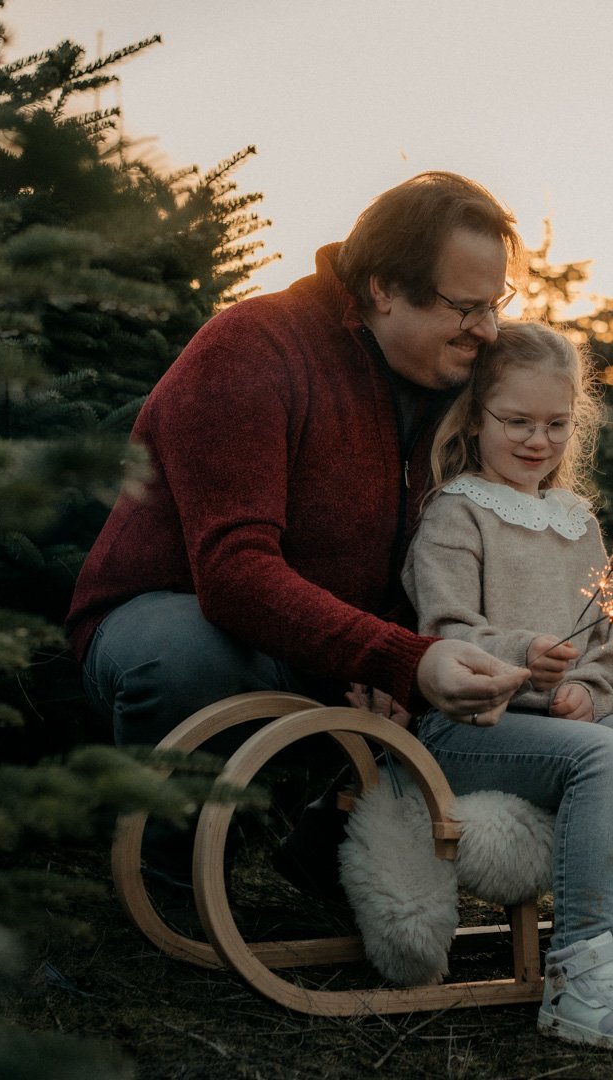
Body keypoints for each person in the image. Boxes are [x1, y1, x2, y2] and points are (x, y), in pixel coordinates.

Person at [68, 172, 531, 893]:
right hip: (179, 618)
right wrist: (399, 656)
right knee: (189, 654)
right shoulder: (252, 348)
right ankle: (169, 881)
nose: (489, 330)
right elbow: (233, 573)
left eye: (495, 305)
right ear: (382, 287)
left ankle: (326, 864)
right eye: (464, 307)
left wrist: (404, 656)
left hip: (340, 645)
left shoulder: (457, 381)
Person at [402, 320, 613, 1052]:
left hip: (559, 725)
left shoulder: (576, 521)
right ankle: (577, 969)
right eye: (517, 422)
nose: (538, 441)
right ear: (476, 418)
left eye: (556, 425)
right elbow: (443, 635)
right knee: (606, 757)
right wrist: (523, 657)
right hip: (466, 727)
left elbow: (607, 641)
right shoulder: (456, 512)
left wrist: (592, 694)